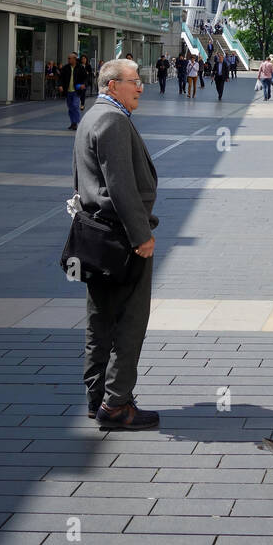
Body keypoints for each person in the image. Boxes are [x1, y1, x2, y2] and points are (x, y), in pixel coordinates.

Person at [73, 58, 159, 430]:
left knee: (100, 317)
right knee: (129, 320)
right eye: (134, 81)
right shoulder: (112, 120)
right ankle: (117, 403)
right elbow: (122, 188)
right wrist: (142, 237)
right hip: (120, 238)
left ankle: (97, 399)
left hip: (96, 235)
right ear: (112, 85)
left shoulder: (92, 116)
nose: (140, 87)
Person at [59, 52, 88, 130]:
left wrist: (83, 84)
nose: (68, 60)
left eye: (69, 58)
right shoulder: (65, 68)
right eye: (68, 58)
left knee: (75, 106)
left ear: (74, 59)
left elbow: (85, 78)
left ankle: (78, 122)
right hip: (68, 91)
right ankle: (73, 123)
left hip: (76, 90)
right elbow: (61, 78)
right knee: (70, 107)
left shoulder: (80, 67)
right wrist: (60, 85)